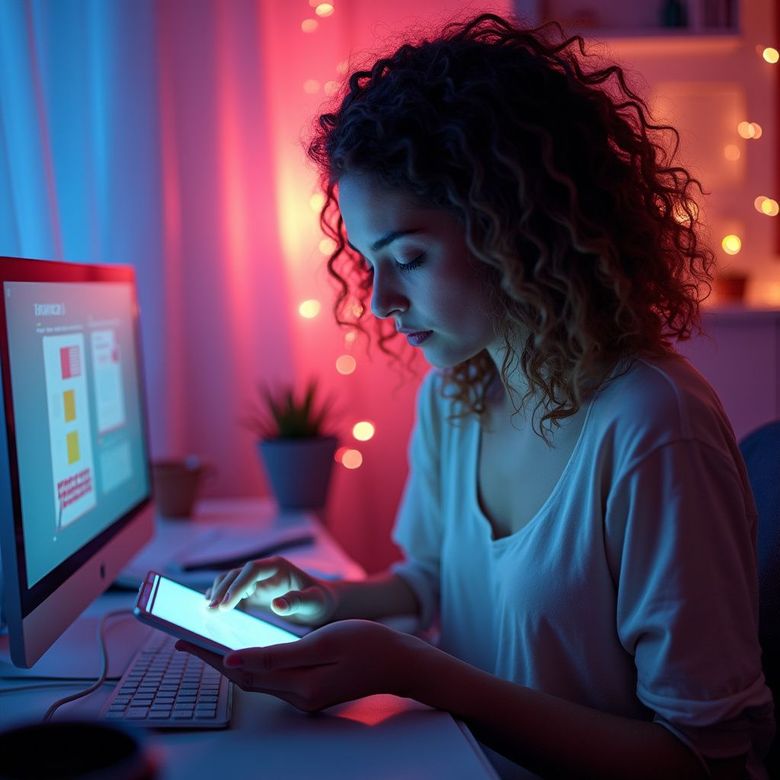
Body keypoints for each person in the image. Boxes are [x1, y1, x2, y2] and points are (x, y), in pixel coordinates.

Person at [177, 13, 775, 779]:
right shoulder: (456, 396)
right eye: (368, 262)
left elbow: (704, 760)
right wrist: (330, 603)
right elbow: (433, 580)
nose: (380, 299)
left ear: (519, 231)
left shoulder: (653, 427)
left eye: (411, 257)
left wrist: (417, 672)